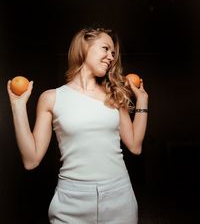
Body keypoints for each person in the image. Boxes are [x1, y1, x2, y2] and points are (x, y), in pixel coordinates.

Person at [7, 26, 148, 224]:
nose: (111, 57)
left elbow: (135, 145)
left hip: (118, 196)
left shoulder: (115, 97)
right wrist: (18, 106)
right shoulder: (51, 98)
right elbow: (31, 160)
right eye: (105, 48)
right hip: (71, 200)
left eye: (113, 53)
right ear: (84, 46)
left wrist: (142, 99)